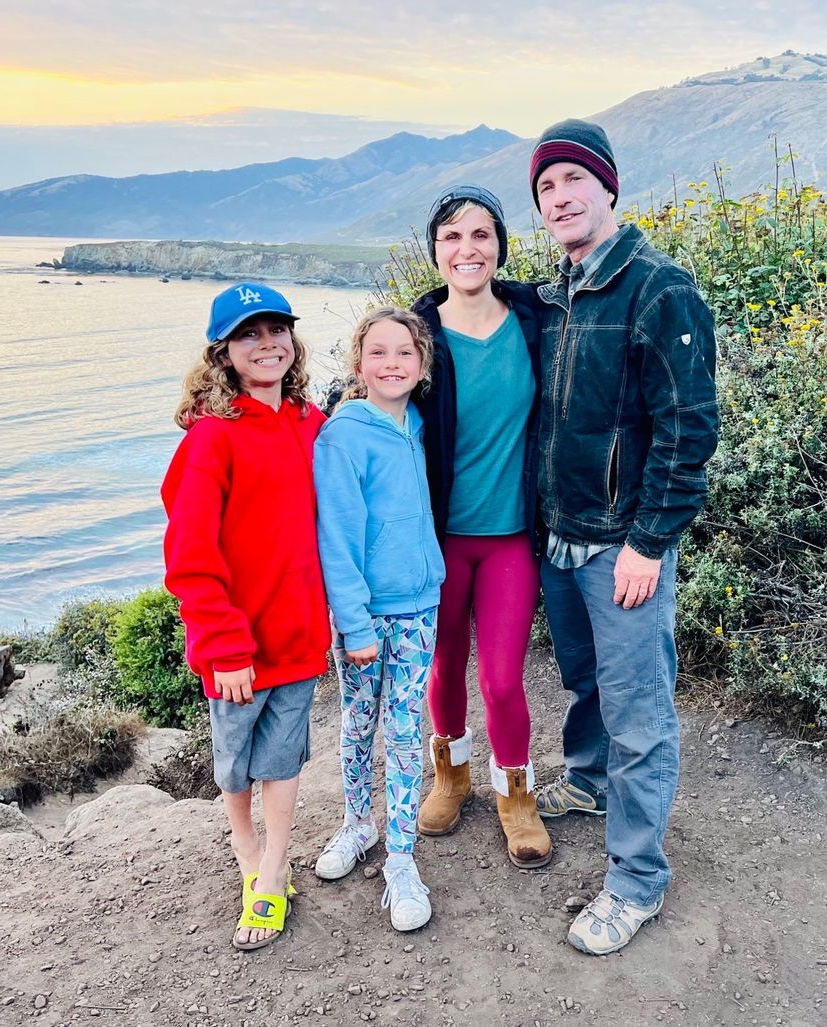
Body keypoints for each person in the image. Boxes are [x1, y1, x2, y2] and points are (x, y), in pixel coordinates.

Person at [528, 120, 720, 954]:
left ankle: (636, 880)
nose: (560, 197)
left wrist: (649, 540)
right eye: (545, 187)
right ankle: (590, 780)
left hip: (621, 545)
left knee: (640, 710)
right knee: (584, 680)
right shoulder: (556, 296)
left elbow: (689, 429)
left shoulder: (658, 287)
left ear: (608, 188)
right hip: (560, 537)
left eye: (573, 179)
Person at [161, 282, 330, 951]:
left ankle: (274, 865)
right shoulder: (211, 439)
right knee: (235, 766)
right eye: (248, 336)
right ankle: (244, 846)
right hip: (236, 646)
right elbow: (188, 553)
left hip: (298, 636)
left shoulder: (311, 423)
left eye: (276, 331)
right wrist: (226, 644)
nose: (267, 345)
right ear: (223, 354)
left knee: (283, 760)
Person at [411, 185, 552, 869]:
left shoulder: (533, 316)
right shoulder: (417, 334)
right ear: (434, 251)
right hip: (438, 540)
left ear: (499, 245)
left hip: (507, 538)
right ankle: (452, 774)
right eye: (451, 238)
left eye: (479, 235)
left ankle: (514, 794)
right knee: (444, 665)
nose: (466, 249)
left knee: (500, 678)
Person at [312, 307, 446, 932]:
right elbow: (335, 537)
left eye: (404, 353)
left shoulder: (419, 423)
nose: (391, 364)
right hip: (364, 619)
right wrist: (355, 623)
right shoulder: (343, 435)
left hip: (422, 607)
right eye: (378, 353)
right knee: (358, 724)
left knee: (403, 731)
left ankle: (400, 857)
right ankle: (356, 824)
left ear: (422, 365)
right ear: (358, 364)